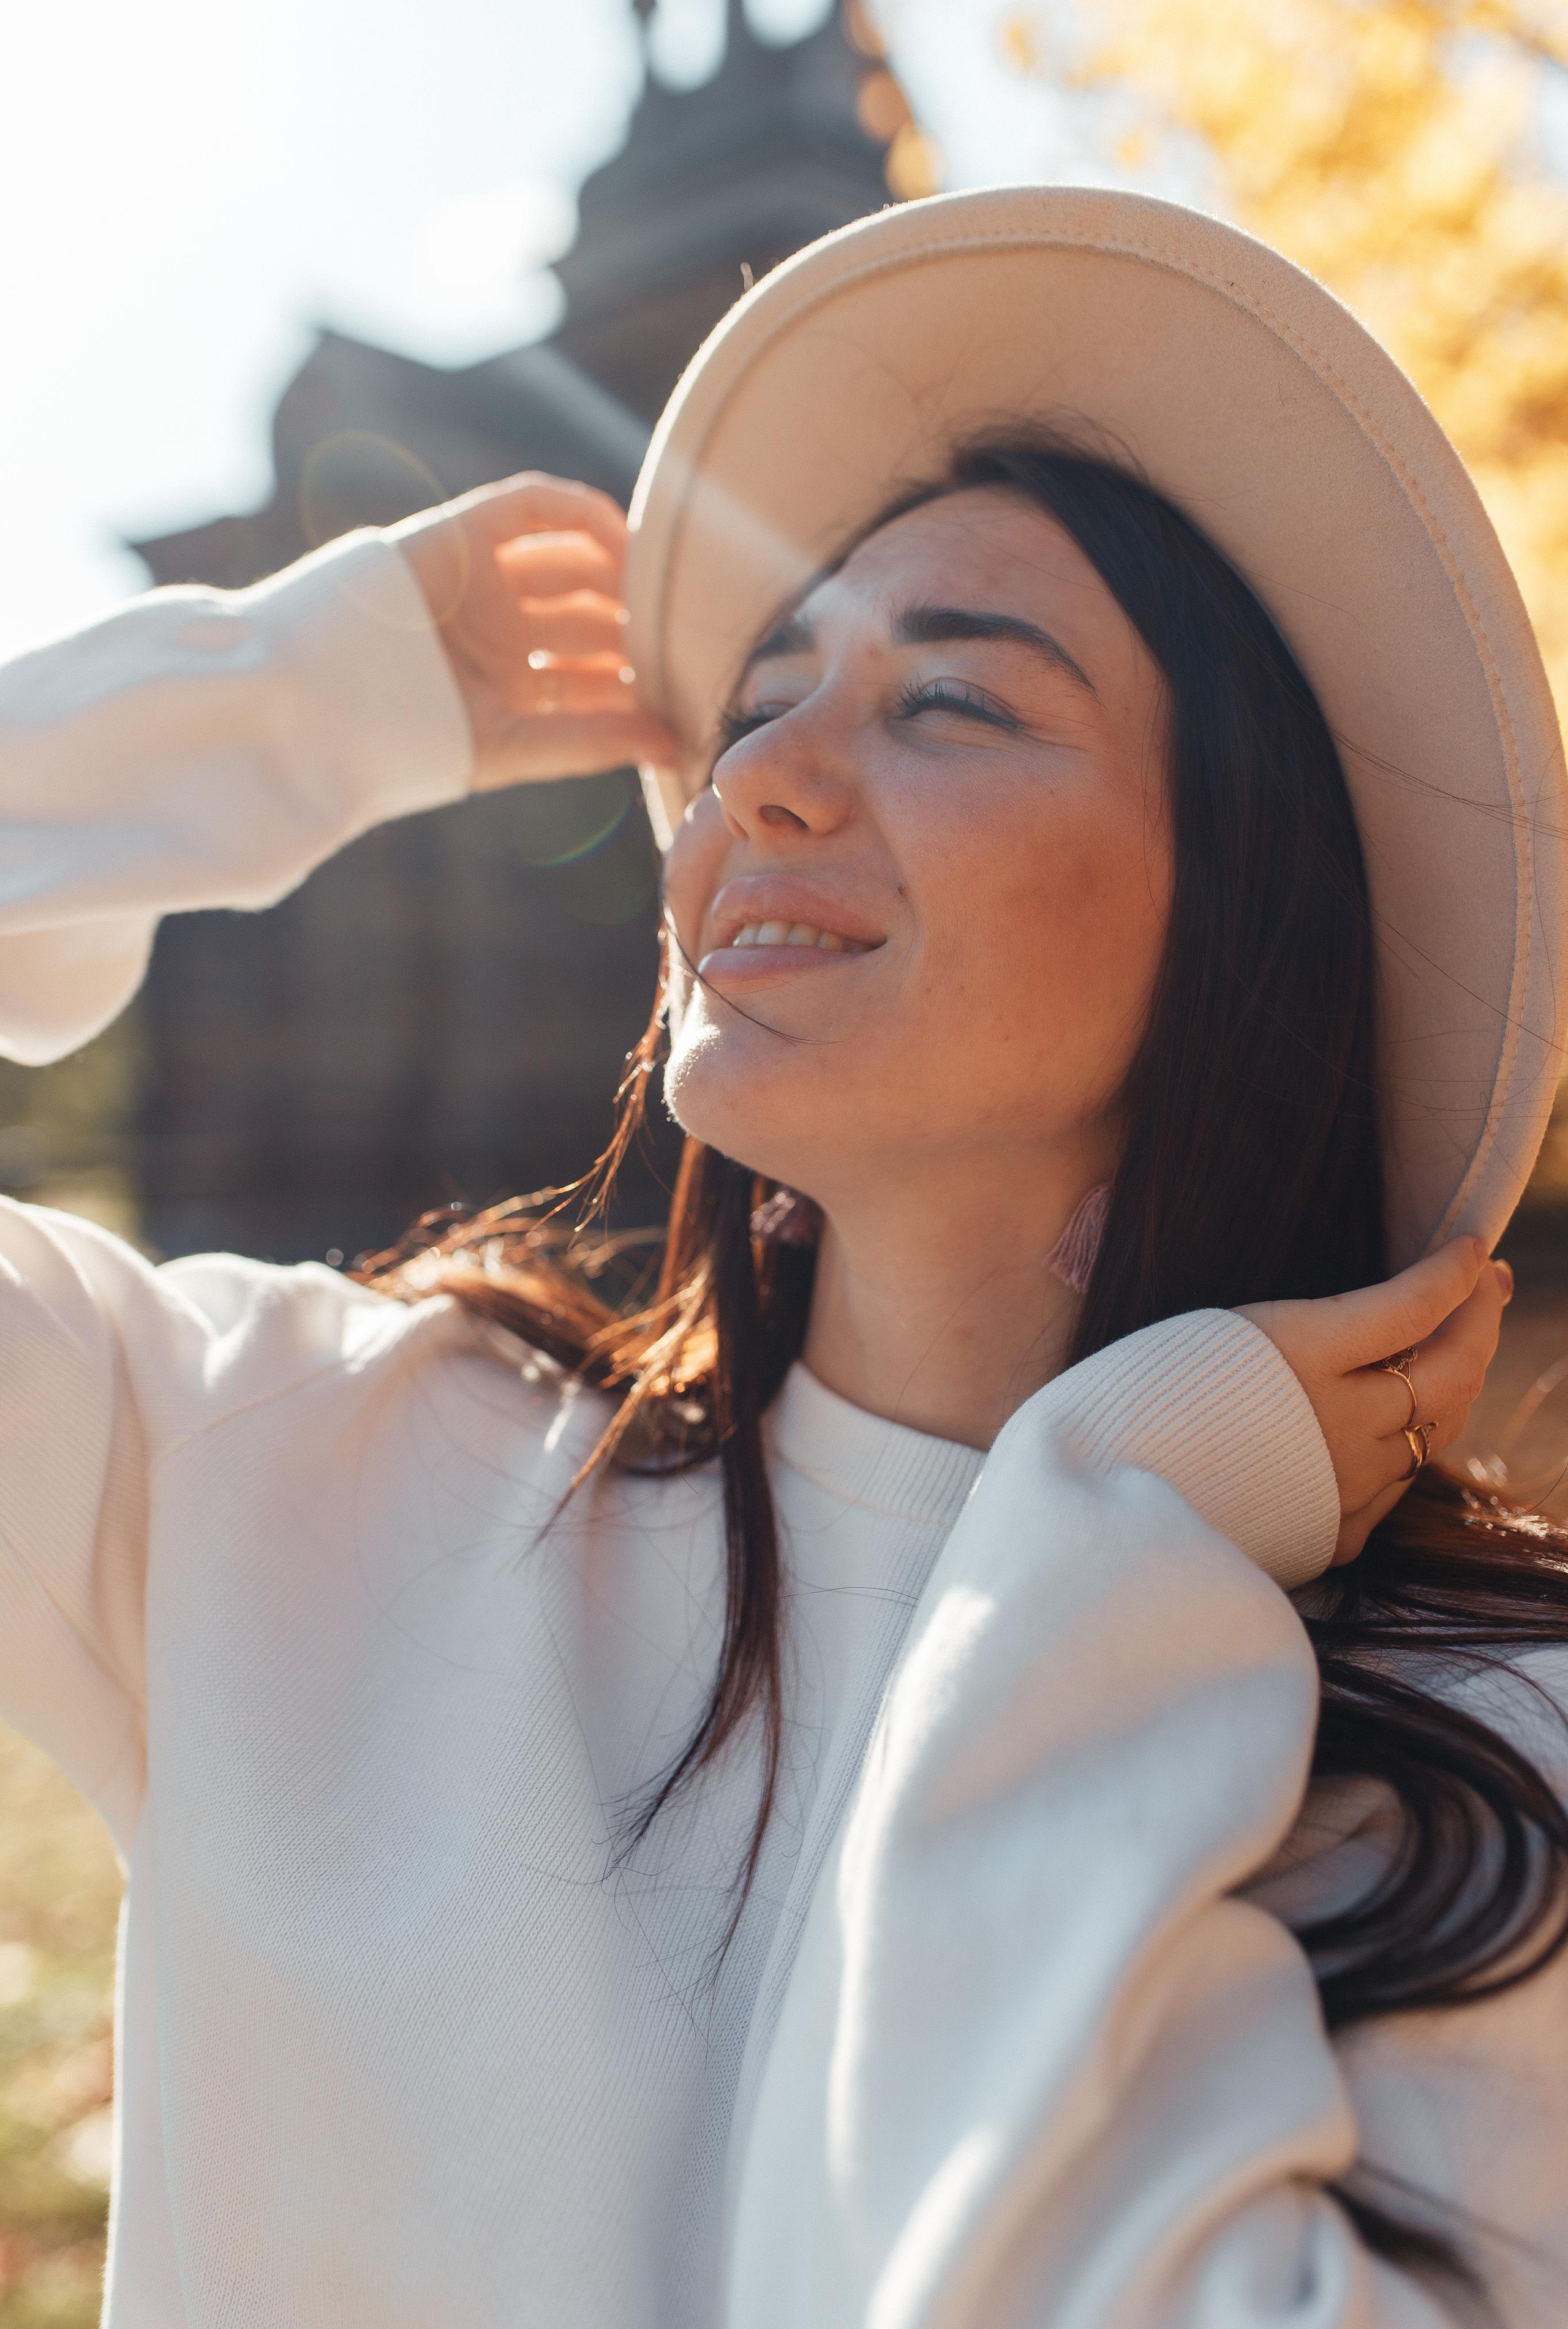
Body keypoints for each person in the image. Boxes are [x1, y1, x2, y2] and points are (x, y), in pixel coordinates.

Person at [1, 186, 1565, 2328]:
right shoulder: (285, 1466)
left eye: (955, 707)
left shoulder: (1496, 1755)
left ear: (1247, 917)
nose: (761, 782)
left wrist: (1117, 1535)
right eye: (761, 696)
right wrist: (272, 709)